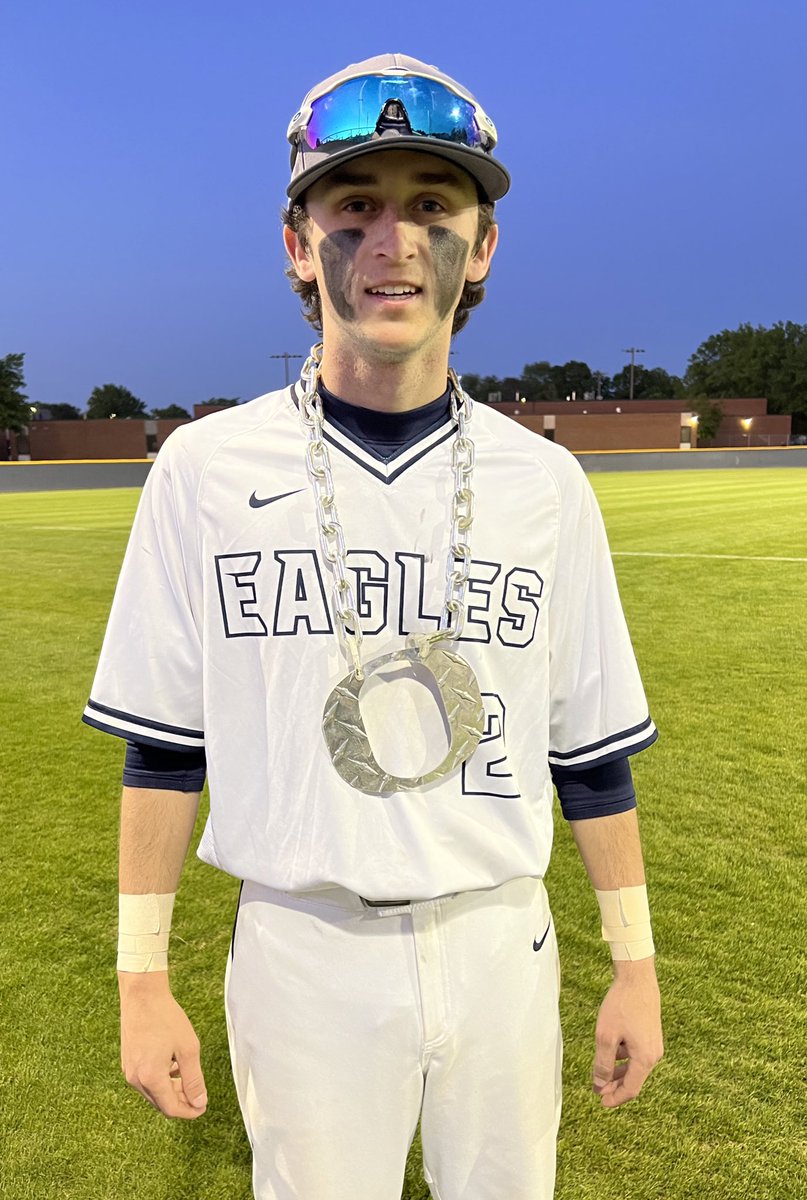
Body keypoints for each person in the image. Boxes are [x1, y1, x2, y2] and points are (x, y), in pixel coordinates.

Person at [84, 52, 663, 1200]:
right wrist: (140, 977)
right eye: (356, 205)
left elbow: (590, 758)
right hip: (305, 949)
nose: (395, 239)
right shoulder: (202, 470)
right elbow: (164, 748)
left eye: (433, 206)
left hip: (502, 939)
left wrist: (635, 963)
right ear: (300, 243)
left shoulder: (544, 483)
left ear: (482, 246)